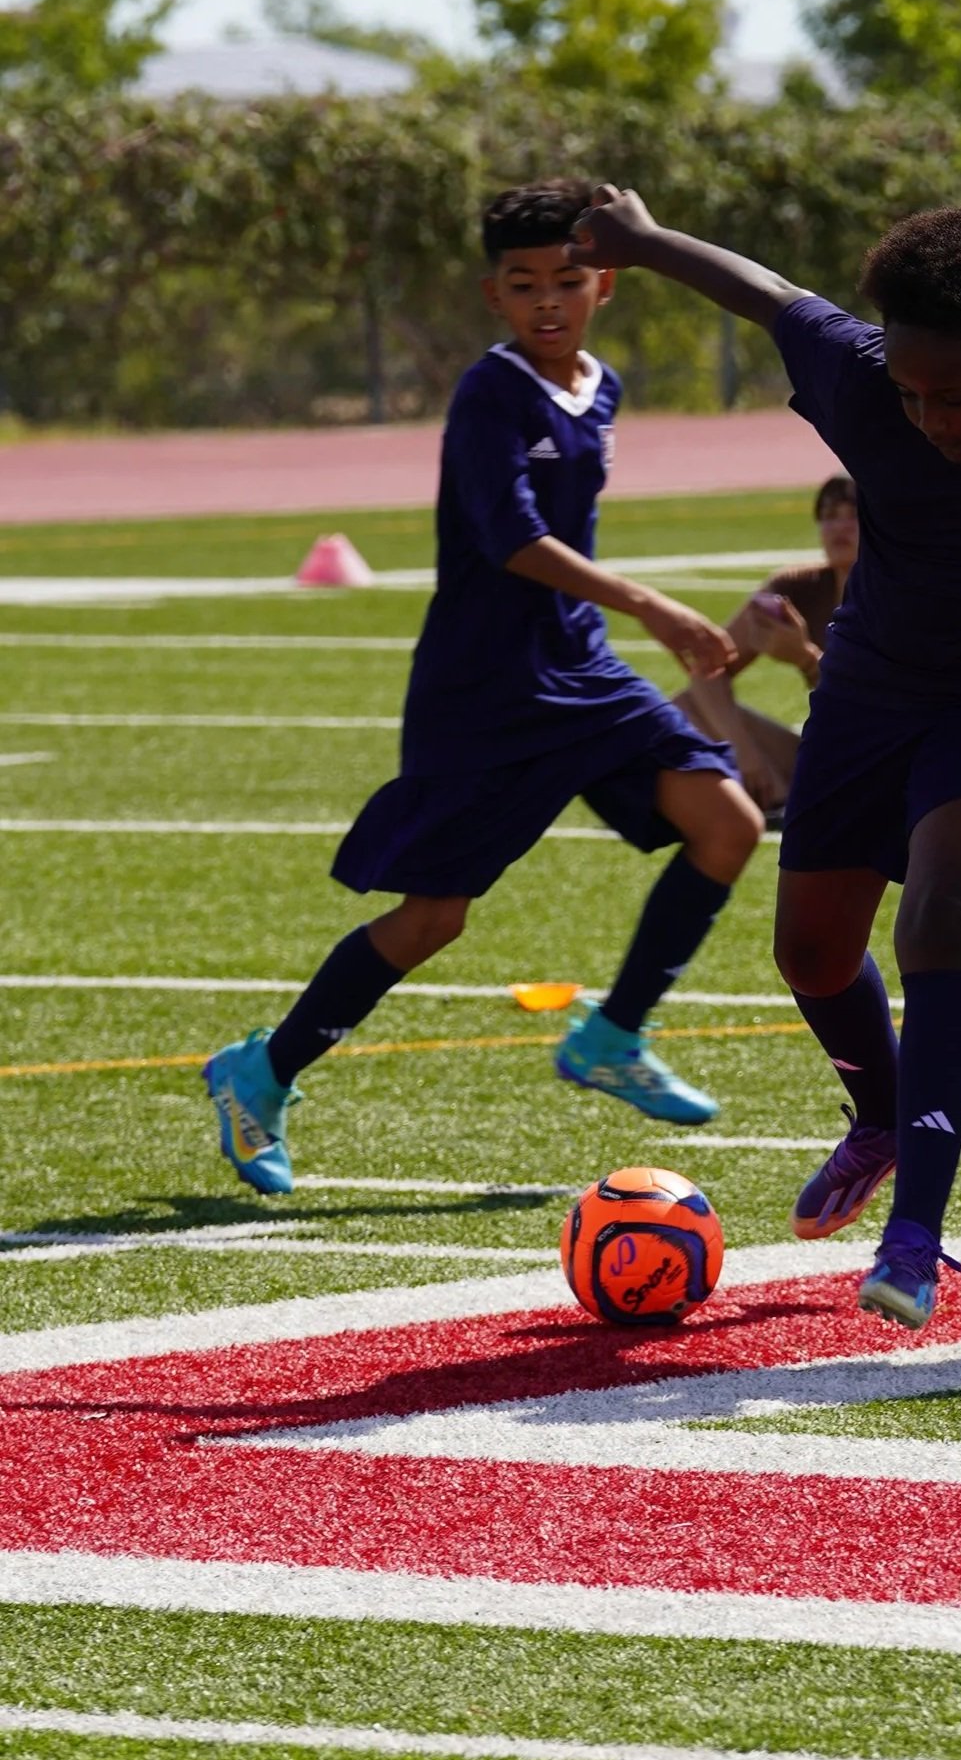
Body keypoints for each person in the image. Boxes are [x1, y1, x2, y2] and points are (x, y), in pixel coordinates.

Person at [570, 188, 961, 1330]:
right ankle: (879, 1118)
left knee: (938, 923)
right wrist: (641, 245)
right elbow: (766, 293)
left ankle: (916, 1235)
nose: (928, 416)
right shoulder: (862, 373)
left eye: (956, 397)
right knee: (809, 952)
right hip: (867, 691)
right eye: (908, 392)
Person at [202, 179, 763, 1198]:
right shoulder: (488, 392)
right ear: (491, 295)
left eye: (567, 279)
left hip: (580, 669)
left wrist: (617, 617)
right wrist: (652, 604)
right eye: (522, 284)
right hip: (484, 691)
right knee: (431, 919)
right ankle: (261, 1073)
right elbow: (510, 540)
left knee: (727, 822)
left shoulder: (605, 387)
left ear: (606, 284)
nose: (547, 301)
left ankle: (611, 1035)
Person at [680, 474, 859, 817]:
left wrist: (807, 660)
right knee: (686, 706)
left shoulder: (895, 594)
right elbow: (709, 666)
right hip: (823, 757)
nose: (839, 526)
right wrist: (743, 750)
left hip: (884, 758)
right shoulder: (796, 586)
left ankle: (785, 802)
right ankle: (776, 800)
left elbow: (874, 706)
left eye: (853, 515)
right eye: (828, 514)